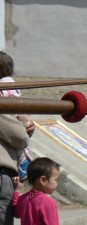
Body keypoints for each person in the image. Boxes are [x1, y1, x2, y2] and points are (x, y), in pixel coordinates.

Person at [0, 51, 33, 181]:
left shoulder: (4, 85)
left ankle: (23, 162)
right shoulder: (12, 83)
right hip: (19, 116)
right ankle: (24, 162)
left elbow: (18, 136)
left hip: (14, 117)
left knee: (18, 140)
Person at [12, 157, 60, 225]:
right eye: (56, 180)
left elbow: (16, 213)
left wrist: (16, 190)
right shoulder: (48, 202)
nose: (57, 183)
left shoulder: (24, 198)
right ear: (43, 180)